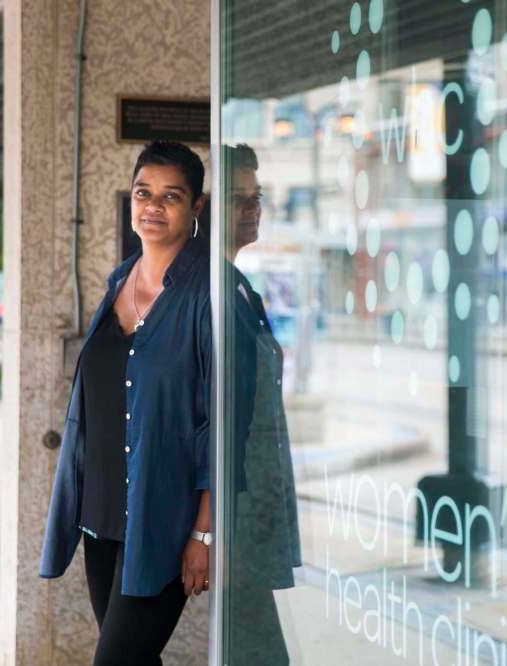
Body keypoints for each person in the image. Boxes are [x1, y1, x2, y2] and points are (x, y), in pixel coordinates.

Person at [39, 140, 212, 666]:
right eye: (144, 192)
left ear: (196, 207)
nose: (153, 206)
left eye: (171, 196)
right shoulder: (120, 279)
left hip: (163, 521)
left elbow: (221, 424)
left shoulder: (208, 294)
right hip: (101, 517)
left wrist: (203, 532)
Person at [221, 143, 302, 665]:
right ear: (204, 207)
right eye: (238, 197)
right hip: (234, 519)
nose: (253, 208)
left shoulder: (240, 287)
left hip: (252, 517)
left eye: (257, 196)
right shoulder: (209, 290)